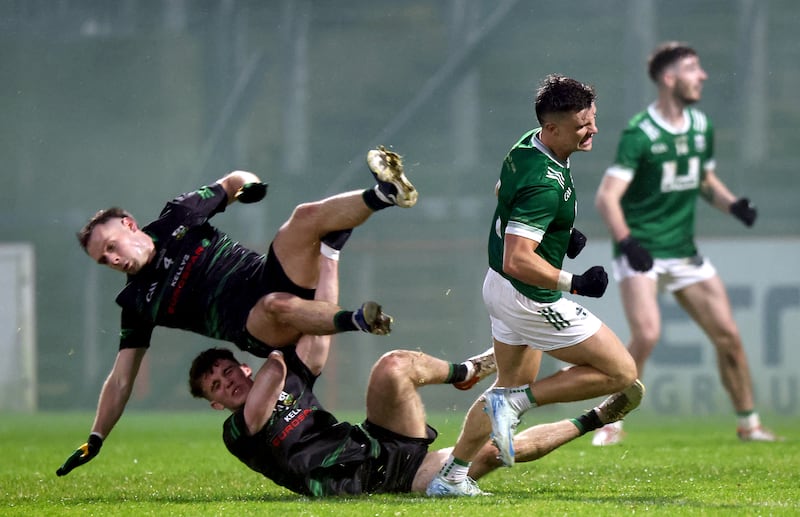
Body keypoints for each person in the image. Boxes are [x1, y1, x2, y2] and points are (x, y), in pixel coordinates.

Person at [56, 146, 418, 477]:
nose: (112, 259)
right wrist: (97, 435)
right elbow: (121, 380)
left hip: (269, 277)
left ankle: (386, 194)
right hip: (257, 327)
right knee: (274, 307)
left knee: (304, 217)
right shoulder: (136, 301)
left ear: (129, 225)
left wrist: (250, 186)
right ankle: (357, 319)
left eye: (110, 247)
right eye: (103, 259)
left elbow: (233, 180)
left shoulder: (177, 215)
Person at [188, 248, 643, 497]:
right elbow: (266, 383)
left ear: (238, 365)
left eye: (227, 371)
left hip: (377, 444)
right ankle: (598, 417)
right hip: (370, 482)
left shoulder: (283, 366)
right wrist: (269, 326)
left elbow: (320, 329)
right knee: (488, 453)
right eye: (218, 386)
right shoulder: (239, 427)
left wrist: (330, 251)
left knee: (394, 365)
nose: (227, 382)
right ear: (215, 403)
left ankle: (466, 370)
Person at [426, 74, 643, 497]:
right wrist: (574, 282)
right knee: (620, 372)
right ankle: (515, 405)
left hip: (500, 288)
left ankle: (451, 477)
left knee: (505, 387)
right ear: (553, 129)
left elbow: (504, 191)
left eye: (593, 119)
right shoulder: (545, 182)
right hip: (528, 294)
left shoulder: (528, 144)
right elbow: (519, 258)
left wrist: (561, 229)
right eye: (583, 125)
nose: (593, 129)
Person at [592, 42, 779, 445]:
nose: (703, 76)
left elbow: (704, 181)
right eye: (693, 68)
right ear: (668, 78)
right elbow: (607, 197)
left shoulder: (700, 126)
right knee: (647, 335)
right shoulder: (639, 133)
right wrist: (627, 243)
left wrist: (734, 206)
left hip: (683, 252)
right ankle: (609, 421)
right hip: (642, 250)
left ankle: (750, 424)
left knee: (728, 335)